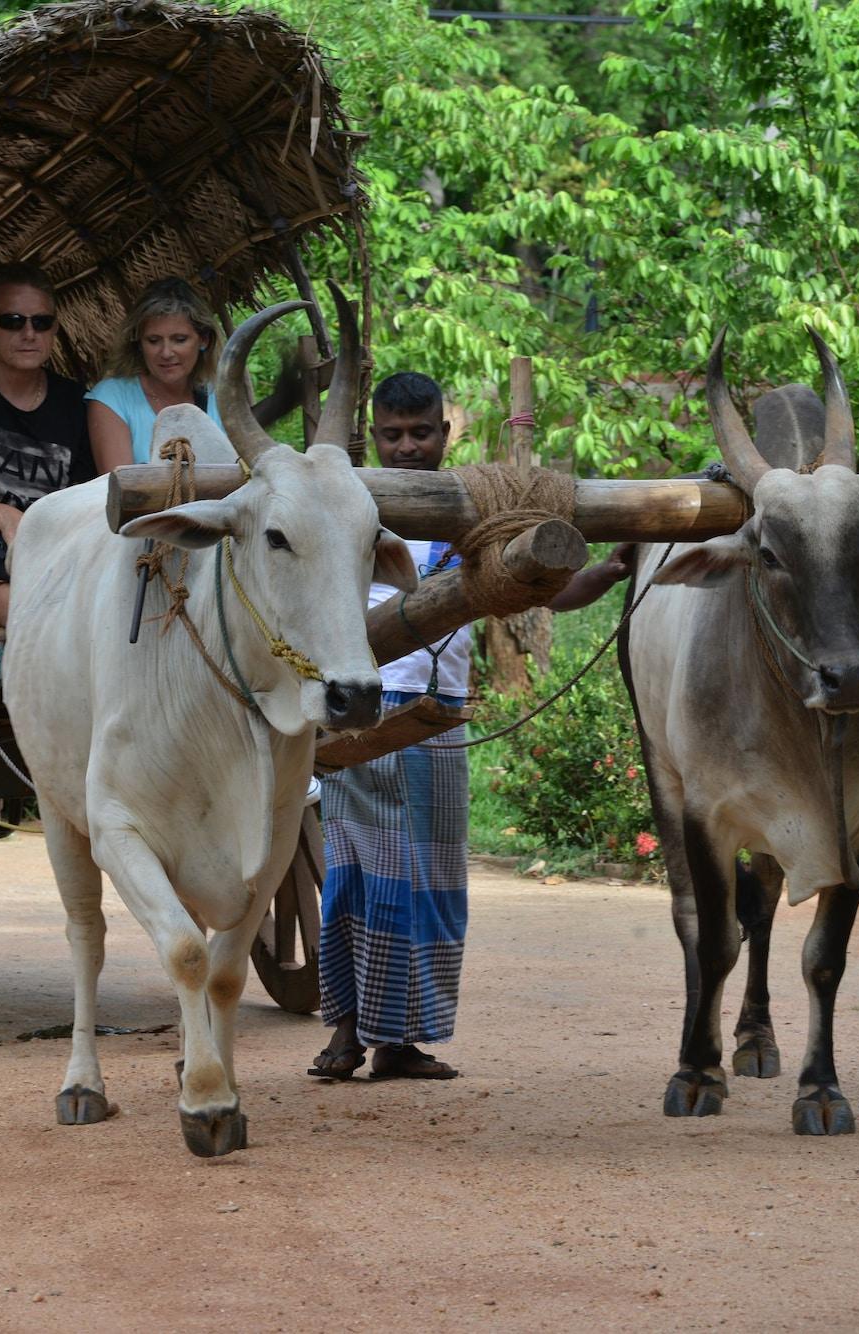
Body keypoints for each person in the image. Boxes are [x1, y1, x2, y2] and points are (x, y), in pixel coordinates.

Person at [308, 372, 635, 1081]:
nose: (407, 447)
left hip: (437, 723)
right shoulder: (346, 506)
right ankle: (343, 1035)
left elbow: (542, 584)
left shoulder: (473, 515)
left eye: (420, 433)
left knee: (425, 880)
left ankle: (398, 1041)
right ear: (371, 434)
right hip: (355, 714)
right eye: (392, 435)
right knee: (354, 874)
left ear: (444, 433)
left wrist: (607, 572)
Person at [0, 261, 93, 626]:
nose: (29, 333)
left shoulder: (75, 402)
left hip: (61, 557)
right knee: (43, 614)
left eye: (41, 322)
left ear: (53, 329)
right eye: (13, 321)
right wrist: (5, 517)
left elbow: (84, 495)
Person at [86, 277, 226, 470]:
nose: (166, 353)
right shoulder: (112, 398)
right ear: (138, 343)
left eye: (179, 339)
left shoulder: (218, 397)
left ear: (204, 340)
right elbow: (120, 491)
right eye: (153, 340)